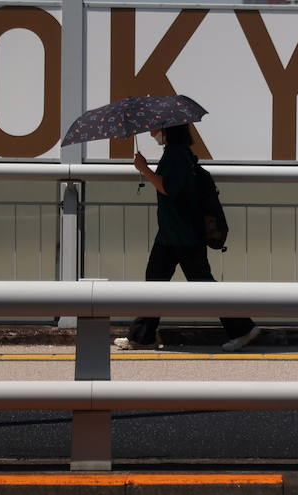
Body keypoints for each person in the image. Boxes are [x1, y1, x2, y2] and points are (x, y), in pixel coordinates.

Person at [112, 124, 262, 352]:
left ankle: (243, 329)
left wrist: (144, 169)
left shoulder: (176, 155)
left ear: (168, 130)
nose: (152, 133)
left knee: (202, 285)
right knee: (154, 282)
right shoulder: (176, 153)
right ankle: (142, 336)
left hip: (184, 236)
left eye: (155, 129)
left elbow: (167, 188)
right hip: (172, 234)